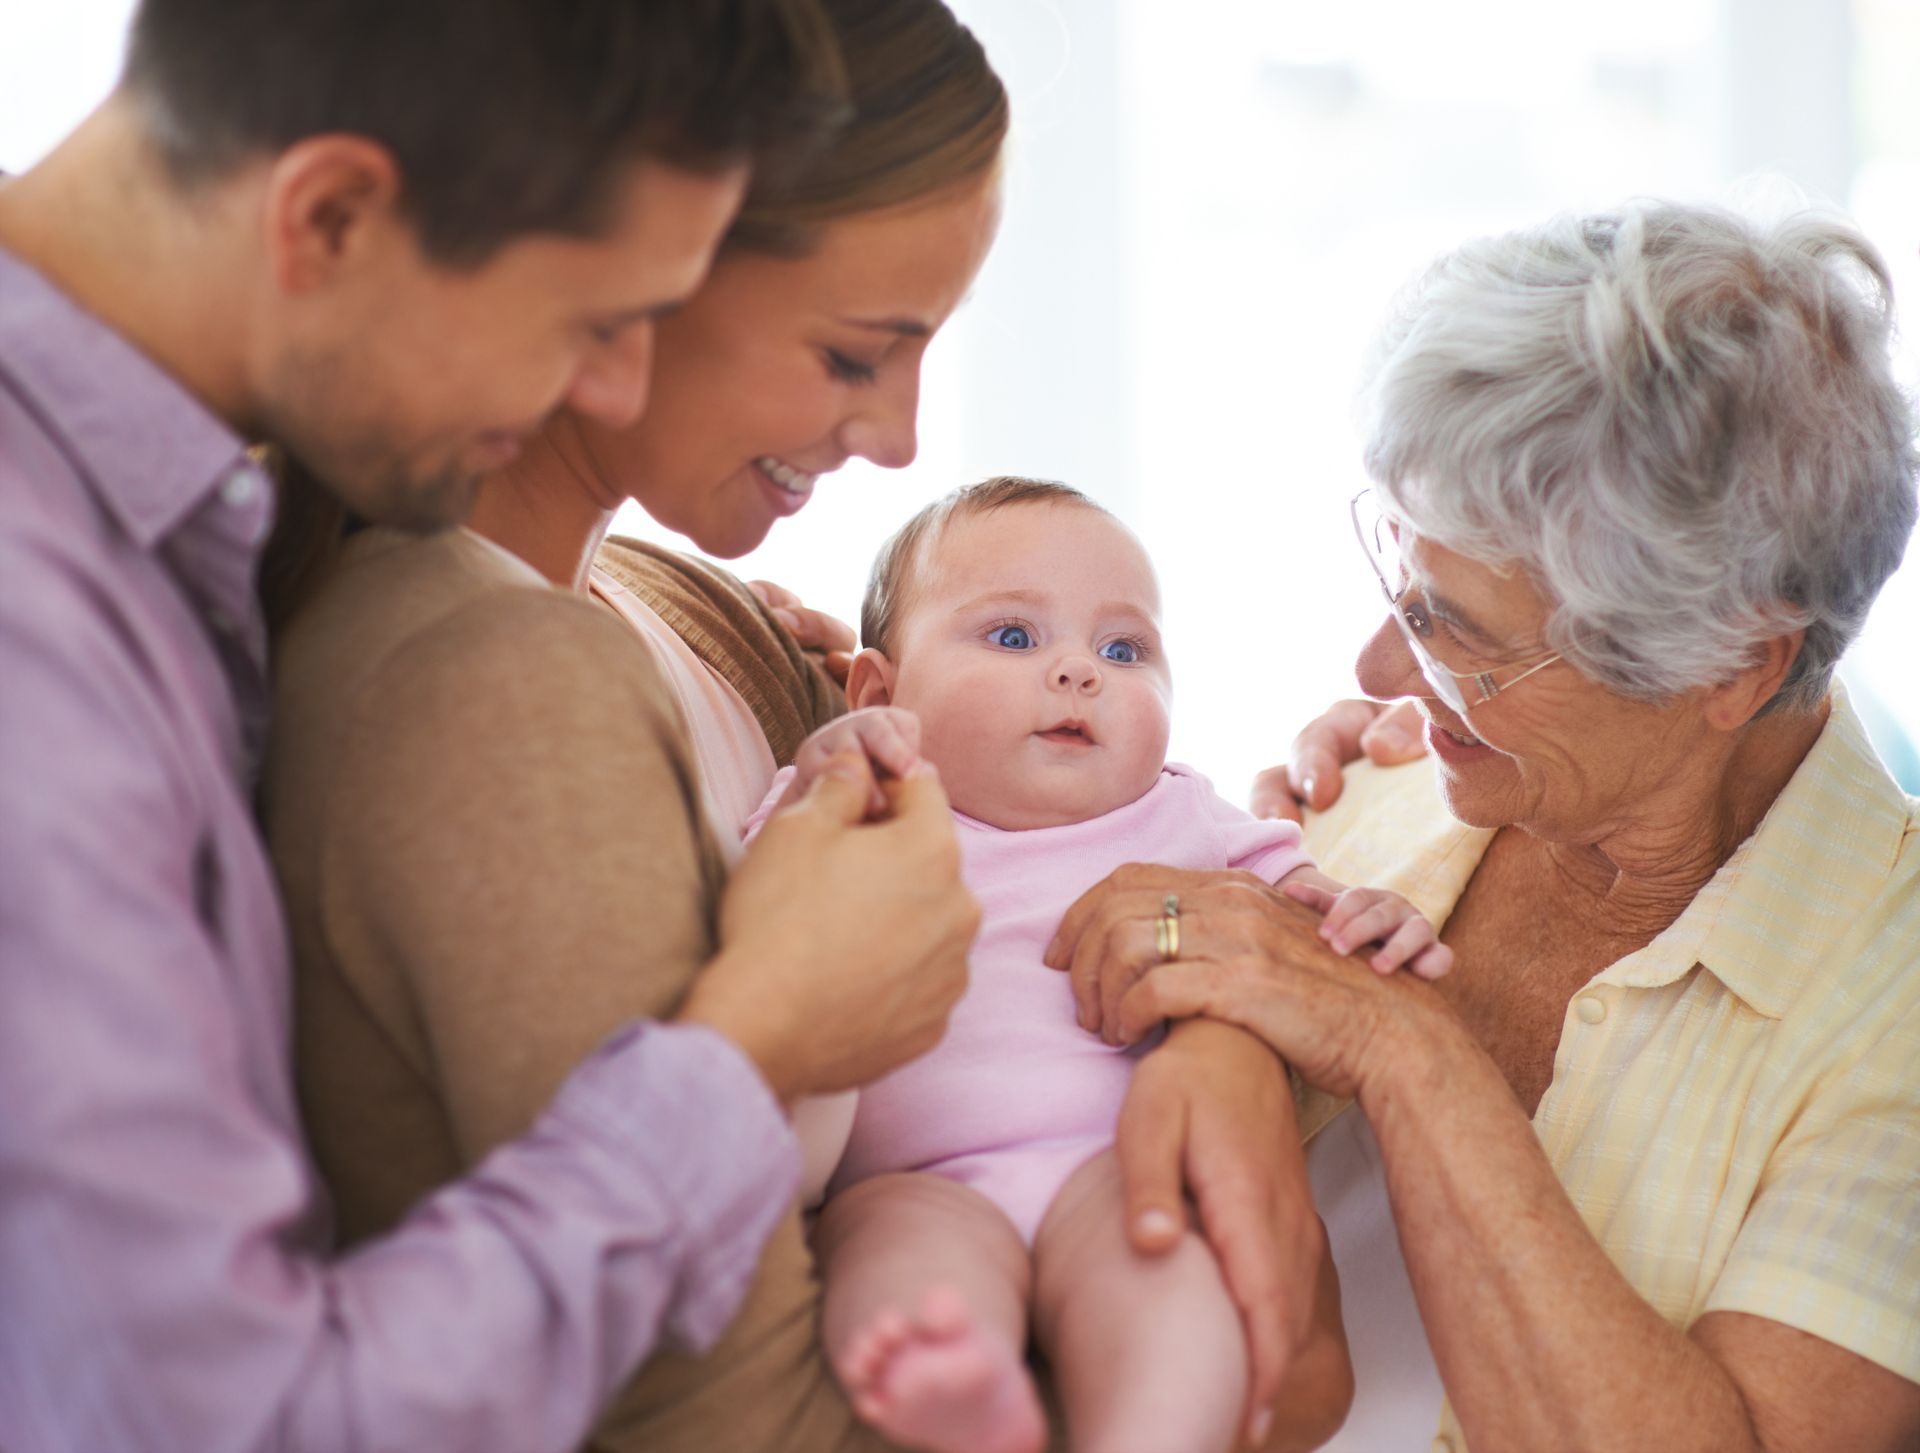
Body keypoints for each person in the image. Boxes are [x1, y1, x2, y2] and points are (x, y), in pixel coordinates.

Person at [266, 4, 1344, 1448]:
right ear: (638, 271)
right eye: (852, 355)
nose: (901, 436)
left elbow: (1043, 879)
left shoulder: (686, 610)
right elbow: (715, 1403)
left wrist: (1225, 1042)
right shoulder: (497, 684)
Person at [0, 2, 965, 1449]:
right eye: (594, 322)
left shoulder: (159, 537)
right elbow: (233, 1422)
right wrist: (752, 1037)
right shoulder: (44, 657)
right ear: (330, 215)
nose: (617, 396)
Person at [1047, 201, 1920, 1452]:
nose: (1375, 666)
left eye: (1464, 634)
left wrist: (1403, 1049)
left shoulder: (1898, 994)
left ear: (1735, 663)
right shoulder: (1390, 787)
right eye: (1406, 587)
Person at [744, 477, 1440, 1453]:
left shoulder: (1187, 812)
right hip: (911, 1176)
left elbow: (1308, 923)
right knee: (892, 1279)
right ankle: (960, 1398)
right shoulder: (859, 797)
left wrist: (1372, 912)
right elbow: (754, 906)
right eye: (1015, 637)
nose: (1080, 672)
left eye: (1125, 649)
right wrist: (824, 775)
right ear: (879, 692)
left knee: (1171, 1286)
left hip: (1117, 1169)